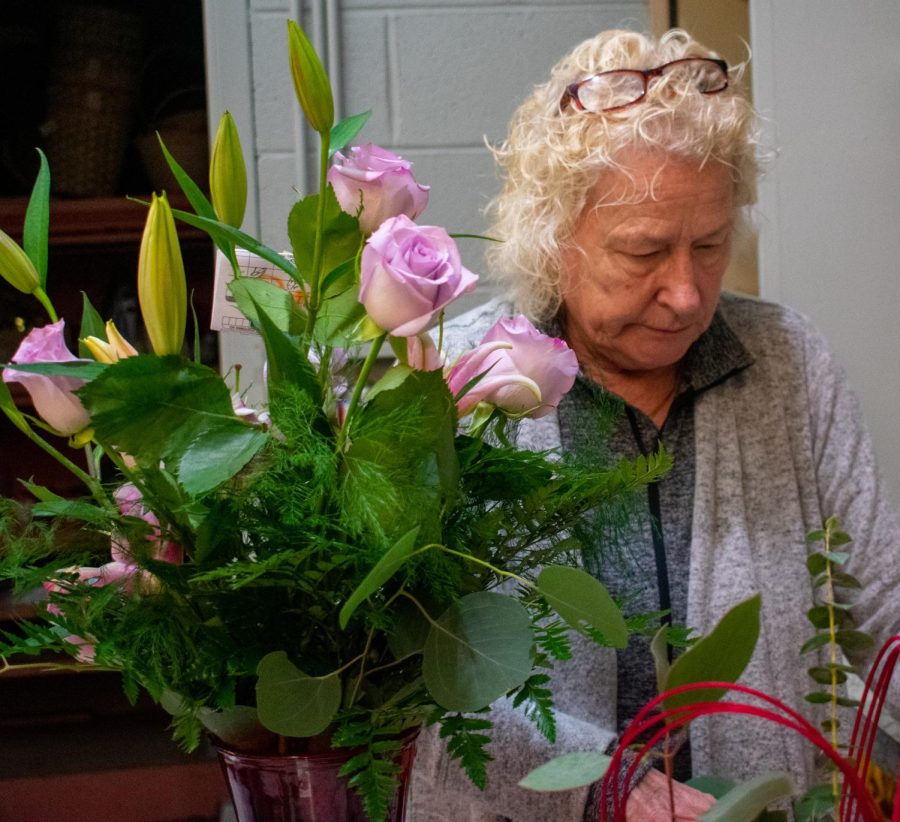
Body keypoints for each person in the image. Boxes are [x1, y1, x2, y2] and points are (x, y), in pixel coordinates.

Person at [406, 27, 900, 821]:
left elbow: (885, 610)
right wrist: (608, 786)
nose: (685, 292)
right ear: (552, 239)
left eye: (708, 245)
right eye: (643, 253)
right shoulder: (450, 385)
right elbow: (409, 675)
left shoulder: (788, 364)